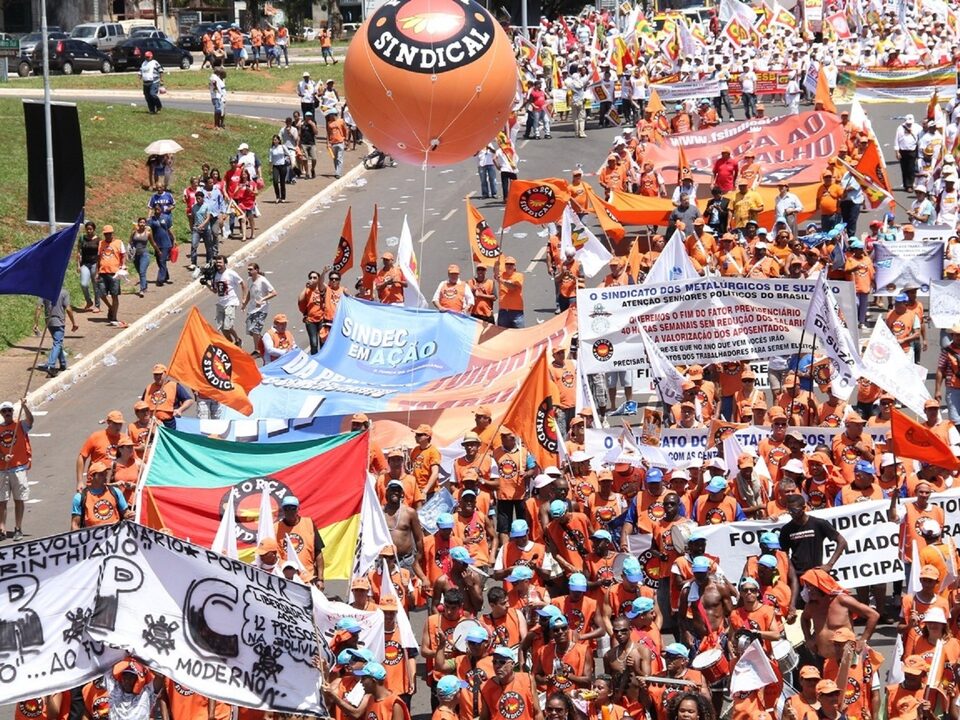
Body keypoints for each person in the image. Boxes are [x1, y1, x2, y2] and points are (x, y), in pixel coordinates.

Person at [275, 494, 325, 589]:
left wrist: (320, 579)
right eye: (286, 508)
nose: (290, 511)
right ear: (283, 510)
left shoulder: (308, 523)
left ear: (298, 509)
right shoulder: (276, 528)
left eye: (293, 508)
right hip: (286, 580)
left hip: (308, 578)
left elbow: (318, 552)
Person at [0, 399, 33, 541]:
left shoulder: (20, 425)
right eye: (4, 411)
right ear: (1, 413)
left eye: (9, 410)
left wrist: (25, 407)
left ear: (13, 412)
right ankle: (2, 528)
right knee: (2, 501)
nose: (7, 413)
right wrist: (3, 457)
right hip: (2, 470)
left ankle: (18, 528)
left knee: (19, 499)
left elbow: (30, 421)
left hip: (18, 468)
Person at [71, 460, 133, 529]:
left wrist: (129, 515)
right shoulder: (80, 497)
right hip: (93, 537)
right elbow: (75, 524)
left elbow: (125, 513)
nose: (105, 476)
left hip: (114, 535)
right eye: (101, 474)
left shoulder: (115, 492)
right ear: (91, 477)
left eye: (105, 473)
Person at [33, 285, 78, 378]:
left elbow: (38, 308)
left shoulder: (44, 292)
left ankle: (63, 363)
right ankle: (51, 366)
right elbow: (68, 309)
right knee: (57, 343)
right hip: (59, 321)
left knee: (58, 342)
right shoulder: (64, 292)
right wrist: (74, 323)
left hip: (48, 322)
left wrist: (36, 323)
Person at [209, 254, 245, 346]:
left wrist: (244, 298)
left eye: (220, 262)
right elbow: (214, 291)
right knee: (222, 327)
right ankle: (232, 343)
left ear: (225, 263)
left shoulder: (231, 273)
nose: (218, 264)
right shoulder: (215, 275)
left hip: (231, 302)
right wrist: (206, 284)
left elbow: (242, 284)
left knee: (227, 326)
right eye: (217, 262)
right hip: (221, 303)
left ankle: (236, 341)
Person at [242, 262, 276, 355]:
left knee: (255, 330)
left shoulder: (263, 280)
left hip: (262, 309)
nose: (249, 271)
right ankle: (266, 343)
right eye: (248, 269)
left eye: (251, 269)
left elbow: (274, 293)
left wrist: (262, 300)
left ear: (256, 270)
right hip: (251, 309)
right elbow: (250, 292)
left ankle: (258, 350)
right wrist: (245, 304)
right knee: (250, 331)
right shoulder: (249, 280)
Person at [97, 225, 126, 327]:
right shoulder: (101, 243)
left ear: (112, 233)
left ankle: (114, 317)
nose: (107, 235)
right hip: (102, 272)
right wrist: (97, 271)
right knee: (101, 293)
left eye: (109, 233)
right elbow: (98, 257)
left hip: (114, 273)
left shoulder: (118, 242)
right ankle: (111, 307)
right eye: (106, 234)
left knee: (114, 295)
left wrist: (123, 266)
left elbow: (123, 255)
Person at [146, 205, 173, 287]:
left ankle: (160, 279)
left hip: (166, 243)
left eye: (158, 208)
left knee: (162, 260)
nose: (157, 210)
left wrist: (174, 239)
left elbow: (169, 229)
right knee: (159, 261)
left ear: (161, 209)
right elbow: (147, 229)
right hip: (157, 244)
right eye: (155, 208)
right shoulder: (151, 220)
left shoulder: (166, 217)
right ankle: (166, 275)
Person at [496, 257, 524, 328]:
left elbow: (513, 287)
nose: (509, 266)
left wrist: (501, 280)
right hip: (503, 311)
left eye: (511, 264)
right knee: (503, 335)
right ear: (505, 266)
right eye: (507, 264)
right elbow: (496, 271)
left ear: (514, 266)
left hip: (516, 312)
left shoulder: (519, 276)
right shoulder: (502, 275)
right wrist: (496, 260)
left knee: (519, 334)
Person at [326, 109, 348, 178]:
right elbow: (328, 133)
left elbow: (346, 130)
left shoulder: (341, 121)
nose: (329, 117)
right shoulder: (329, 123)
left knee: (339, 158)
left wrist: (346, 139)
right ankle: (337, 171)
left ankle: (338, 173)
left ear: (333, 115)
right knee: (334, 158)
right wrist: (328, 142)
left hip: (340, 142)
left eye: (330, 115)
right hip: (333, 143)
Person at [268, 134, 289, 202]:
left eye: (276, 140)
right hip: (275, 166)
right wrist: (270, 168)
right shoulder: (272, 149)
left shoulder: (282, 147)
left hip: (282, 165)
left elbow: (288, 154)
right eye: (273, 140)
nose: (274, 141)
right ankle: (277, 196)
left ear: (279, 140)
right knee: (275, 181)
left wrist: (288, 159)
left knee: (282, 182)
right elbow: (270, 159)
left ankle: (283, 197)